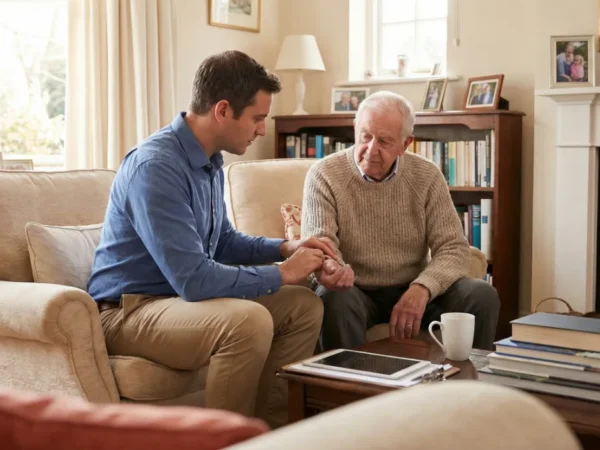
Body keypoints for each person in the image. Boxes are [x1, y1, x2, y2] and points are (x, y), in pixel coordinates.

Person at [87, 50, 337, 428]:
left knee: (303, 307)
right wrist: (283, 272)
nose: (262, 130)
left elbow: (222, 243)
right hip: (129, 311)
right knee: (246, 322)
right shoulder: (156, 166)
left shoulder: (210, 161)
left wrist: (287, 247)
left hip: (175, 302)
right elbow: (194, 279)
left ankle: (270, 432)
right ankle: (222, 439)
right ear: (222, 110)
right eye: (257, 118)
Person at [301, 90, 500, 352]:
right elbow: (321, 242)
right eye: (366, 136)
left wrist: (422, 288)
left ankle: (468, 386)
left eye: (384, 141)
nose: (371, 150)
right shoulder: (324, 174)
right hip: (355, 291)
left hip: (414, 286)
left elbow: (454, 248)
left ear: (406, 144)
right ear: (355, 129)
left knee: (482, 295)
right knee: (333, 298)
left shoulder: (426, 176)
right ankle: (346, 390)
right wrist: (332, 268)